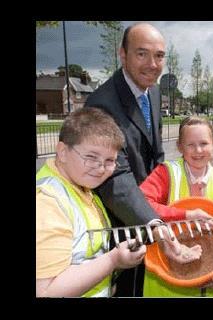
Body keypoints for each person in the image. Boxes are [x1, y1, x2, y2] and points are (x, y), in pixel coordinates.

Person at [85, 22, 207, 296]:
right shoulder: (102, 105)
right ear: (122, 54)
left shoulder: (152, 91)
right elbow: (115, 178)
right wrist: (155, 223)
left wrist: (165, 205)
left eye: (160, 55)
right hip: (123, 219)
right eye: (142, 54)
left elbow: (156, 153)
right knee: (128, 287)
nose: (153, 64)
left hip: (150, 211)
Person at [36, 108, 146, 297]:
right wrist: (113, 261)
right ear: (62, 152)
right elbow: (46, 291)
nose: (101, 168)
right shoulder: (47, 203)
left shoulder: (81, 186)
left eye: (110, 160)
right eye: (91, 157)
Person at [139, 116, 213, 297]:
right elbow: (140, 204)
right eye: (190, 145)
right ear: (179, 146)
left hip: (211, 281)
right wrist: (185, 215)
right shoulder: (166, 173)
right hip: (166, 281)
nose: (198, 150)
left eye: (204, 143)